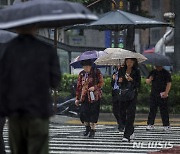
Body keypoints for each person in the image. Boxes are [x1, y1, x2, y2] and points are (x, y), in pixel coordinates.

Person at [0, 26, 61, 154]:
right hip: (39, 111)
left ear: (17, 28)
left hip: (16, 112)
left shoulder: (8, 49)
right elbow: (55, 81)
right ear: (36, 28)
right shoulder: (47, 50)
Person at [75, 59, 104, 138]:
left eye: (88, 66)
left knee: (93, 114)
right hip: (84, 97)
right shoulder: (81, 74)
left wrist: (94, 87)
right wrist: (77, 98)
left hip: (94, 97)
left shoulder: (96, 72)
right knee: (84, 114)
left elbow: (101, 83)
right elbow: (78, 87)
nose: (86, 68)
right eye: (84, 66)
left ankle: (93, 130)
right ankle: (87, 128)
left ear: (91, 66)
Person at [118, 58, 141, 142]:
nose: (129, 63)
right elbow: (119, 83)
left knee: (130, 114)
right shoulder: (121, 69)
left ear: (134, 62)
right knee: (122, 113)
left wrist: (132, 80)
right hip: (123, 95)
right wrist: (119, 81)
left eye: (131, 62)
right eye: (127, 61)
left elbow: (139, 84)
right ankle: (130, 130)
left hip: (132, 95)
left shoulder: (136, 71)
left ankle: (126, 135)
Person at [146, 66, 172, 131]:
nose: (157, 66)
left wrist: (166, 92)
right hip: (154, 94)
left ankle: (166, 125)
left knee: (164, 110)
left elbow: (169, 83)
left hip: (162, 94)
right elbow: (147, 81)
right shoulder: (153, 72)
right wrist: (150, 79)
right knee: (152, 109)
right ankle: (150, 124)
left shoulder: (166, 73)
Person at [111, 65, 126, 132]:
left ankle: (122, 124)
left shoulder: (125, 72)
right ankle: (120, 123)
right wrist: (113, 79)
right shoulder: (115, 73)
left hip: (122, 92)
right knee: (115, 110)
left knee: (121, 109)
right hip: (115, 92)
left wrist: (122, 81)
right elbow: (112, 84)